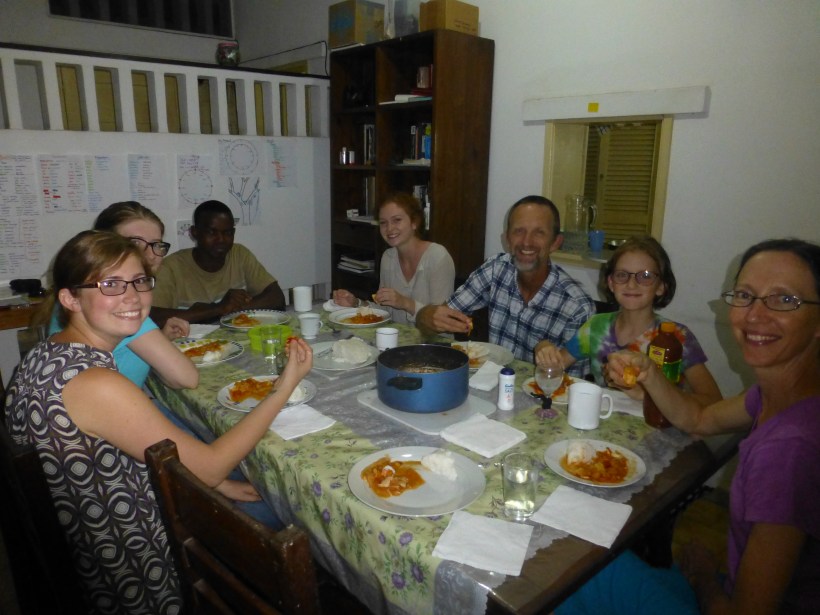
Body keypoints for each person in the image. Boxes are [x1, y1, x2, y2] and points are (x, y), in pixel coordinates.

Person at [4, 231, 313, 613]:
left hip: (82, 532)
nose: (132, 297)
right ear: (70, 299)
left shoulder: (48, 353)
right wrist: (283, 387)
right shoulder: (96, 384)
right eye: (110, 284)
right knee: (284, 514)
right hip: (130, 567)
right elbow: (212, 465)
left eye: (139, 281)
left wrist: (212, 481)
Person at [562, 238, 820, 614]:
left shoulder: (789, 450)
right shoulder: (769, 396)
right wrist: (650, 375)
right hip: (728, 586)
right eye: (745, 295)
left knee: (573, 569)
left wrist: (702, 576)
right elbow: (698, 419)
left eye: (784, 299)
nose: (755, 315)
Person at [416, 195, 595, 375]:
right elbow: (437, 318)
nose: (527, 242)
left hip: (540, 391)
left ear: (555, 243)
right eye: (519, 231)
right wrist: (426, 316)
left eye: (539, 233)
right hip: (490, 383)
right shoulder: (496, 269)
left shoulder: (577, 308)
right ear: (507, 239)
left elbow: (574, 386)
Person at [535, 236, 722, 407]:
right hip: (606, 422)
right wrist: (543, 348)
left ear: (661, 286)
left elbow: (713, 401)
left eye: (645, 276)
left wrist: (647, 394)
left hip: (661, 427)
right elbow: (555, 367)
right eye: (622, 275)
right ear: (611, 283)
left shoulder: (678, 337)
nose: (631, 284)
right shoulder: (596, 327)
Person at [46, 201, 197, 390]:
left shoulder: (83, 295)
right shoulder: (117, 310)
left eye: (156, 245)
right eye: (134, 243)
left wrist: (160, 339)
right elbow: (186, 379)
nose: (150, 255)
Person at [151, 200, 286, 326]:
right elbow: (151, 318)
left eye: (227, 233)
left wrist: (232, 309)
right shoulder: (170, 267)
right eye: (211, 232)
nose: (221, 239)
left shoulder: (239, 254)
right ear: (194, 233)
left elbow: (276, 297)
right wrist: (217, 309)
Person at [332, 192, 455, 325]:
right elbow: (384, 310)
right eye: (383, 223)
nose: (389, 228)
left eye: (397, 220)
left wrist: (405, 303)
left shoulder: (437, 257)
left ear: (414, 222)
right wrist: (356, 303)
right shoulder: (388, 257)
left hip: (432, 338)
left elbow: (442, 320)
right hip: (396, 335)